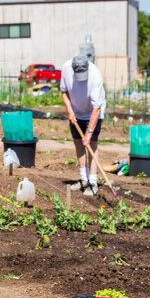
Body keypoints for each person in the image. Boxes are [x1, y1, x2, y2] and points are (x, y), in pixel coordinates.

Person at [60, 55, 106, 196]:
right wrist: (69, 109)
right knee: (78, 142)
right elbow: (64, 91)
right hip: (75, 111)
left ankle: (93, 181)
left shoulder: (95, 76)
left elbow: (96, 109)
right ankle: (83, 179)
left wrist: (89, 132)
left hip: (93, 112)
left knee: (91, 143)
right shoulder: (66, 68)